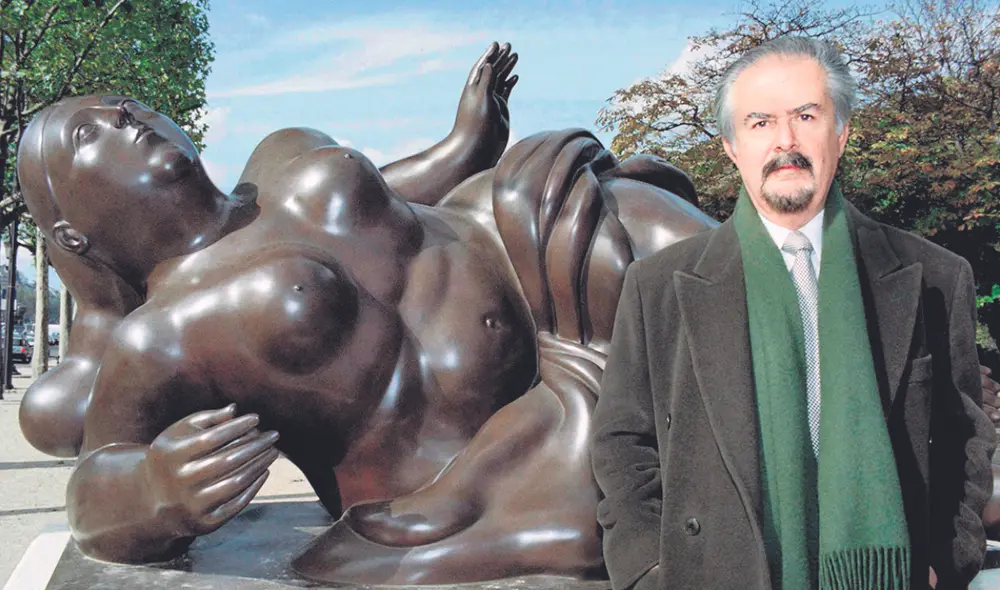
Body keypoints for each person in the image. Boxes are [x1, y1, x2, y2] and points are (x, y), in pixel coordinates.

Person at [15, 43, 716, 584]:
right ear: (74, 232)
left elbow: (397, 193)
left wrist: (470, 138)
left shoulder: (277, 157)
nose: (124, 117)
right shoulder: (158, 337)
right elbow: (95, 486)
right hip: (486, 452)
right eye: (88, 136)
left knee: (723, 276)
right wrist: (153, 487)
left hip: (524, 233)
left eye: (124, 106)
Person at [591, 36, 997, 590]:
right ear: (733, 148)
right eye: (759, 123)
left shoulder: (933, 277)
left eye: (807, 116)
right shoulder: (658, 286)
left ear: (842, 132)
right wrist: (649, 568)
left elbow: (963, 436)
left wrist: (947, 561)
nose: (785, 141)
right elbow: (623, 442)